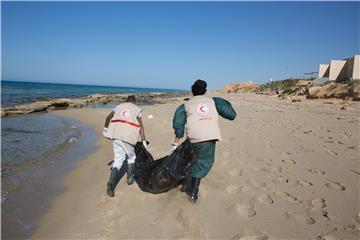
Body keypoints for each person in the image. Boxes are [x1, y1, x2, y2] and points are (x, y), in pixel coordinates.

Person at [172, 79, 236, 203]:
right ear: (205, 91)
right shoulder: (214, 101)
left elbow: (178, 124)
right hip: (209, 137)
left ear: (192, 90)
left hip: (192, 138)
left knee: (192, 160)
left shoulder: (185, 105)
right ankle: (192, 193)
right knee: (203, 162)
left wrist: (176, 141)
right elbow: (231, 115)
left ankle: (184, 185)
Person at [103, 95, 147, 197]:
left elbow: (108, 117)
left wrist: (105, 129)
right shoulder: (137, 109)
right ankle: (130, 179)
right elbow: (140, 126)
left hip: (116, 134)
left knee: (118, 160)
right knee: (131, 157)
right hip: (128, 136)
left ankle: (110, 184)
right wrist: (143, 140)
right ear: (134, 102)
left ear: (126, 101)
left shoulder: (118, 106)